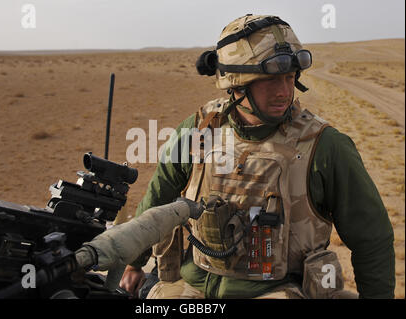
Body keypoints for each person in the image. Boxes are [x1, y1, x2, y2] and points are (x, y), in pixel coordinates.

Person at [119, 14, 395, 299]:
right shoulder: (198, 130)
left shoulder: (325, 147)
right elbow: (157, 199)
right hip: (193, 286)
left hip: (279, 291)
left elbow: (372, 238)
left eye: (290, 78)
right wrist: (134, 263)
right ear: (237, 84)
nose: (285, 92)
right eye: (271, 81)